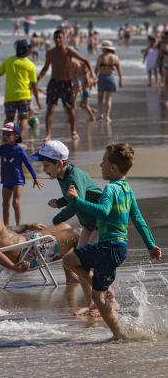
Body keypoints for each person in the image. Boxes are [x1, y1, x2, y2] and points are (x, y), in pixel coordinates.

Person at [62, 143, 161, 339]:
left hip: (108, 247)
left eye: (103, 161)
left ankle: (118, 335)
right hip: (119, 248)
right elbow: (139, 220)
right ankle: (118, 333)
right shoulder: (128, 190)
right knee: (85, 278)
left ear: (113, 167)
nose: (100, 165)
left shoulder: (111, 189)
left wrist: (77, 200)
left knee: (72, 265)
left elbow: (102, 211)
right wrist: (151, 245)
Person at [0, 176, 78, 273]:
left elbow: (4, 231)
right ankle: (76, 275)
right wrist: (14, 267)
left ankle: (71, 275)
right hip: (29, 255)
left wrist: (28, 226)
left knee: (65, 226)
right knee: (77, 234)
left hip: (29, 243)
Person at [31, 140, 102, 276]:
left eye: (46, 166)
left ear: (59, 163)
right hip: (89, 223)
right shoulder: (62, 175)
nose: (44, 170)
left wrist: (57, 219)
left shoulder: (72, 178)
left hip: (100, 222)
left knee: (89, 262)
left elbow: (76, 203)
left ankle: (103, 287)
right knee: (79, 262)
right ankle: (92, 289)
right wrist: (59, 202)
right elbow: (73, 197)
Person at [37, 29, 94, 141]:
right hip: (54, 82)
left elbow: (86, 60)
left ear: (64, 38)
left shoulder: (68, 50)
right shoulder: (50, 53)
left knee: (70, 109)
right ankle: (48, 134)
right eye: (56, 37)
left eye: (60, 37)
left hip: (66, 83)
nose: (58, 39)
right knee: (50, 108)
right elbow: (45, 68)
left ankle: (73, 131)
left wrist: (92, 74)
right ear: (53, 39)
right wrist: (37, 79)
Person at [0, 123, 41, 226]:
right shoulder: (2, 148)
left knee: (15, 202)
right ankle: (6, 226)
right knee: (5, 203)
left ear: (16, 136)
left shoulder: (19, 149)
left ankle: (18, 225)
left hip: (18, 180)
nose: (5, 137)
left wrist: (35, 177)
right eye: (4, 134)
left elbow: (28, 163)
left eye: (8, 135)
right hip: (6, 179)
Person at [0, 39, 41, 134]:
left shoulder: (8, 61)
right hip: (24, 96)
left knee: (9, 118)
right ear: (27, 50)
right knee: (23, 118)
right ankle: (20, 140)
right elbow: (34, 85)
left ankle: (6, 138)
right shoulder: (30, 65)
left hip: (10, 96)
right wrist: (38, 101)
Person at [95, 40, 123, 123]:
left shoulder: (101, 57)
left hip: (102, 77)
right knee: (108, 99)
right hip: (111, 78)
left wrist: (93, 79)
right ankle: (107, 117)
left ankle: (100, 115)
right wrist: (121, 80)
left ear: (104, 48)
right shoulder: (116, 57)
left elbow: (96, 69)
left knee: (100, 98)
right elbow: (119, 70)